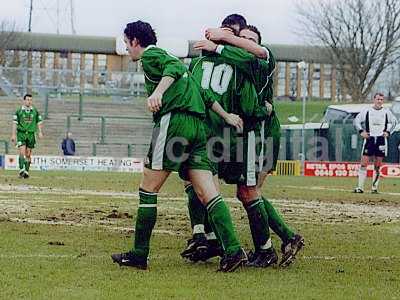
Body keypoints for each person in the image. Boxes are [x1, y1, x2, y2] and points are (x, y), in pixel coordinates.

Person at [111, 20, 247, 272]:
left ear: (135, 41)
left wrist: (158, 93)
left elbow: (173, 66)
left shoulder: (151, 56)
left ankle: (139, 254)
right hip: (198, 128)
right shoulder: (176, 66)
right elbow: (204, 94)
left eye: (127, 44)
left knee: (148, 189)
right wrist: (227, 116)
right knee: (208, 193)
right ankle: (234, 250)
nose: (127, 49)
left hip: (175, 124)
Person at [186, 20, 304, 267]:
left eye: (250, 41)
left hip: (259, 133)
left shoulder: (259, 62)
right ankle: (212, 238)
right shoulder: (234, 62)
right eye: (242, 39)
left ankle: (271, 246)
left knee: (249, 191)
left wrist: (219, 43)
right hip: (238, 135)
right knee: (230, 187)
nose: (246, 45)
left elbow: (252, 102)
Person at [353, 93, 397, 193]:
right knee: (364, 163)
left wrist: (388, 132)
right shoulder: (367, 111)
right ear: (374, 99)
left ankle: (374, 188)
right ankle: (360, 187)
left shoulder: (386, 112)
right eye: (378, 99)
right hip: (369, 139)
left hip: (381, 140)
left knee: (377, 165)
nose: (379, 101)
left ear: (383, 101)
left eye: (381, 99)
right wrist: (361, 132)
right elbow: (356, 121)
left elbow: (394, 122)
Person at [11, 94, 43, 178]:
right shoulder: (19, 111)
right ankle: (21, 169)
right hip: (21, 134)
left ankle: (26, 171)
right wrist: (13, 135)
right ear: (24, 100)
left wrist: (40, 132)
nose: (29, 101)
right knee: (22, 151)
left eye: (30, 100)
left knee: (28, 154)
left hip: (31, 134)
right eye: (27, 99)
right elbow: (15, 123)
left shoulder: (35, 111)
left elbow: (39, 122)